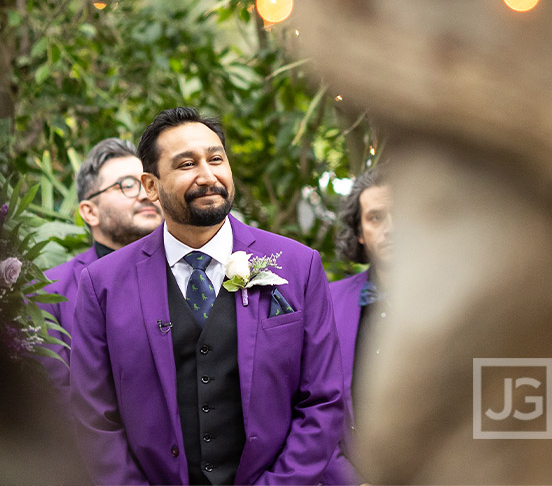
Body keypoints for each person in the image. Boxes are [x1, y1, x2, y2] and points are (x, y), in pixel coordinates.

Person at [70, 107, 346, 485]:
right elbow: (93, 419)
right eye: (186, 164)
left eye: (216, 159)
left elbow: (323, 401)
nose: (207, 176)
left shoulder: (300, 266)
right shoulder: (101, 285)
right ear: (151, 186)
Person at [40, 138, 162, 397]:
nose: (144, 194)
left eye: (148, 183)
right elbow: (56, 400)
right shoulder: (50, 292)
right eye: (127, 185)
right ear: (89, 212)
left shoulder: (193, 272)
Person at [327, 167, 391, 480]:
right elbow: (308, 407)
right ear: (361, 233)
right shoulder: (326, 302)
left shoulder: (467, 301)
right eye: (376, 217)